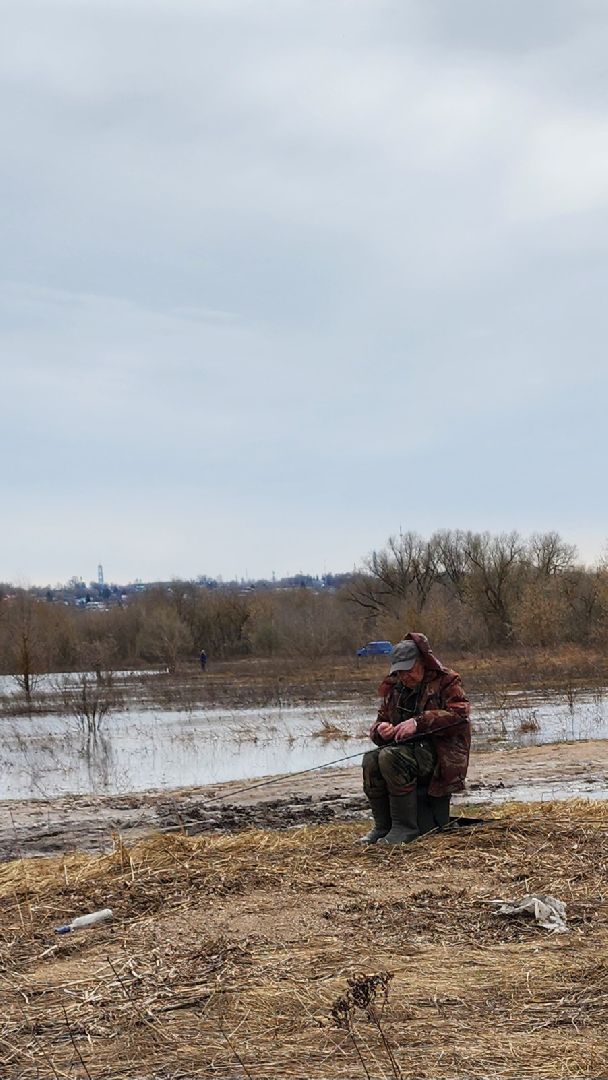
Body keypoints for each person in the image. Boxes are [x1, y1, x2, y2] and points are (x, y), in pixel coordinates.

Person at [360, 632, 471, 845]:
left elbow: (459, 717)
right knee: (371, 759)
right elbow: (379, 722)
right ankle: (383, 827)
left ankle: (405, 829)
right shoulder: (394, 688)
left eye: (408, 670)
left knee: (390, 758)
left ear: (422, 663)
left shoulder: (448, 681)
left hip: (441, 756)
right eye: (399, 672)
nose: (404, 677)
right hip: (405, 754)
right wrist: (380, 730)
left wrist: (418, 722)